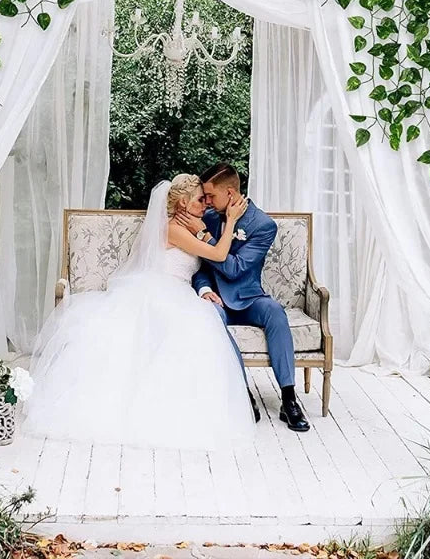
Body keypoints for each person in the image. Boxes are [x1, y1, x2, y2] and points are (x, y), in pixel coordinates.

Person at [22, 175, 256, 450]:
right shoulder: (173, 229)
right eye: (199, 200)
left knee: (197, 328)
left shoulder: (186, 227)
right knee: (191, 329)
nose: (204, 204)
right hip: (161, 291)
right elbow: (218, 255)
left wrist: (202, 228)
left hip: (175, 291)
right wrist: (229, 221)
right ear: (182, 203)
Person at [178, 163, 310, 433]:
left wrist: (205, 235)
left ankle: (288, 397)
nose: (207, 202)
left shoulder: (263, 225)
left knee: (275, 312)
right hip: (216, 298)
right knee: (212, 317)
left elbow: (235, 267)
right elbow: (200, 266)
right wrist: (204, 290)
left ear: (230, 192)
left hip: (248, 298)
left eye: (211, 196)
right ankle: (244, 394)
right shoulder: (211, 217)